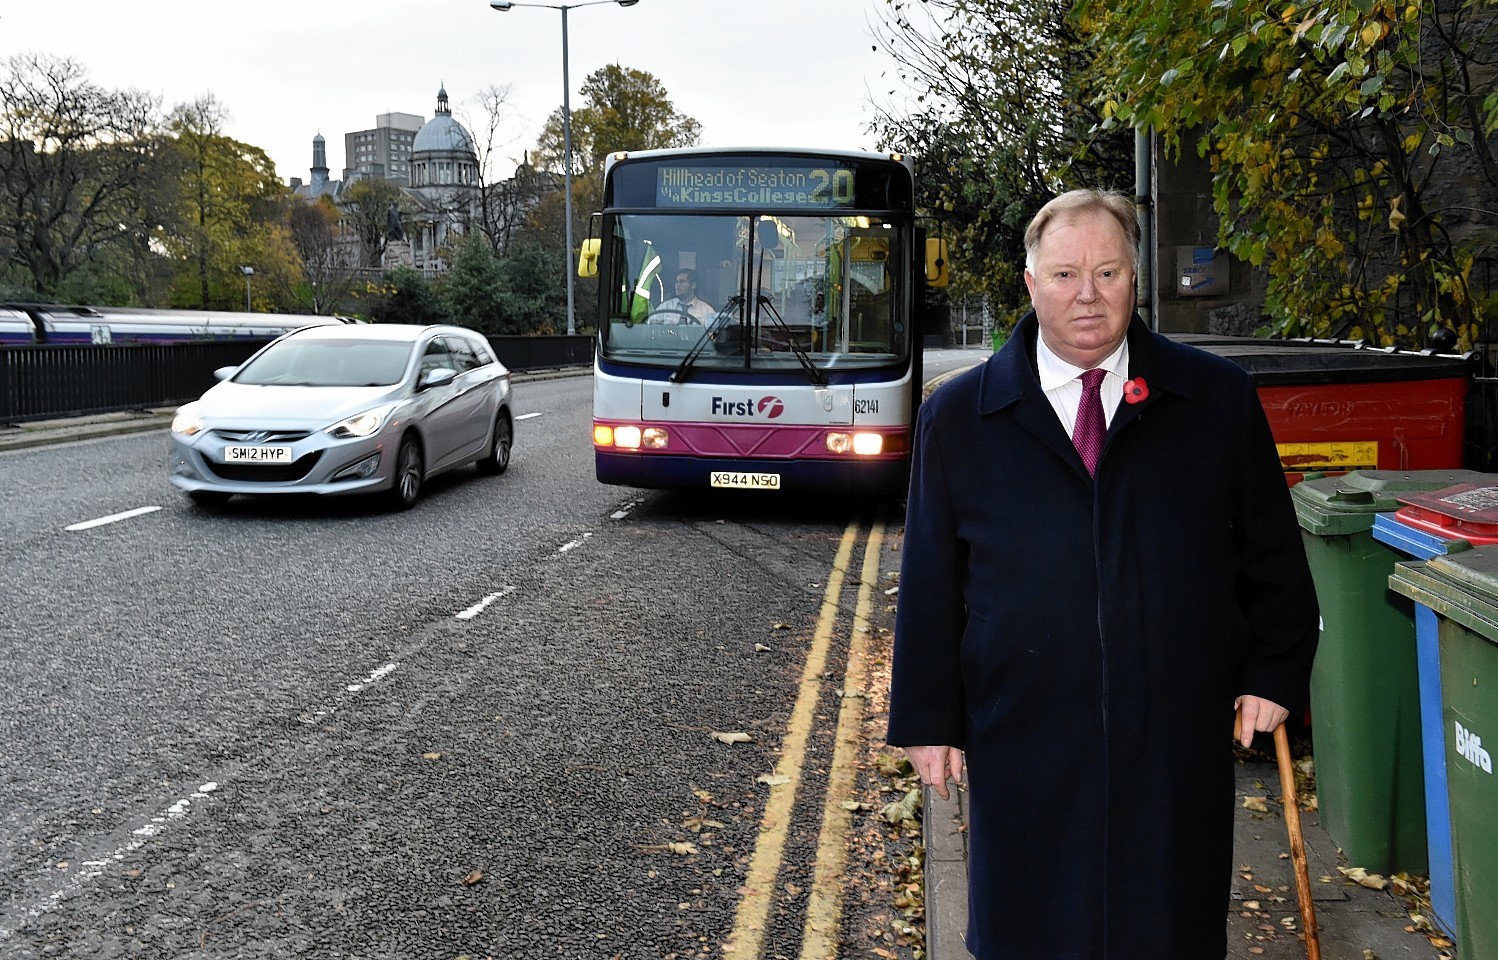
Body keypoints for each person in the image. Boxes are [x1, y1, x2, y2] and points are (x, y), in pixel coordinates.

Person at [886, 188, 1318, 959]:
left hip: (1173, 738)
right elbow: (929, 585)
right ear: (1029, 283)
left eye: (1108, 272)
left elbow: (1273, 558)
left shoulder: (1214, 399)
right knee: (1031, 932)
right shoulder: (957, 419)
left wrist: (1274, 673)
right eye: (1064, 275)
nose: (1087, 295)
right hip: (1021, 737)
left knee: (1167, 930)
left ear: (1135, 280)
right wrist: (927, 720)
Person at [649, 268, 715, 324]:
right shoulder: (665, 307)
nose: (677, 285)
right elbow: (650, 328)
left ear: (693, 285)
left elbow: (712, 335)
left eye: (682, 282)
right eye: (676, 282)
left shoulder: (707, 310)